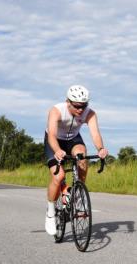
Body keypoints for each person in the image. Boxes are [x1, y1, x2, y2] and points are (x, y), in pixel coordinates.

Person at [44, 85, 108, 234]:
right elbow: (52, 135)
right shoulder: (56, 110)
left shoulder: (89, 113)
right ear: (68, 102)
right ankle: (50, 212)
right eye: (77, 106)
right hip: (54, 141)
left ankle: (78, 193)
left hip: (73, 139)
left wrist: (100, 149)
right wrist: (57, 150)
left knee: (82, 156)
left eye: (84, 105)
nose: (81, 109)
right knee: (58, 177)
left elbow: (95, 134)